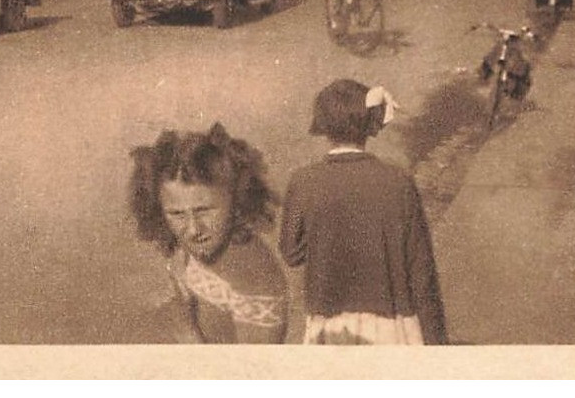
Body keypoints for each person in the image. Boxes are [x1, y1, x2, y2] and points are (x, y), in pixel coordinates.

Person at [278, 80, 447, 345]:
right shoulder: (398, 181)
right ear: (369, 127)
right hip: (392, 327)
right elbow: (421, 271)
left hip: (329, 326)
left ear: (323, 127)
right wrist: (437, 342)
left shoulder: (304, 181)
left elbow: (292, 253)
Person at [128, 123, 289, 343]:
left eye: (204, 211)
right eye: (177, 214)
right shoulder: (203, 244)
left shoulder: (258, 281)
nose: (193, 230)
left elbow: (255, 374)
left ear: (236, 200)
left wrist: (189, 338)